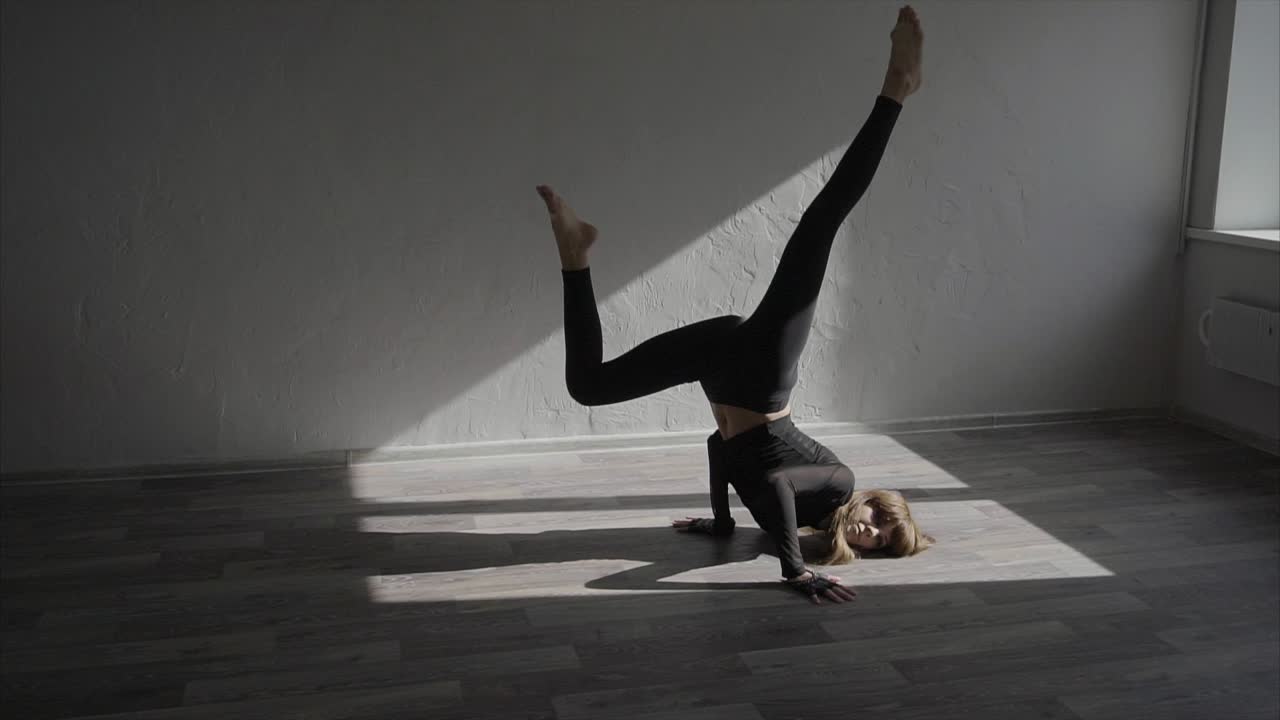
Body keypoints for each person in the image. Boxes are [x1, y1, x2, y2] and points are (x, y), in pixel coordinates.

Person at [537, 5, 934, 605]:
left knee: (588, 387)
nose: (870, 530)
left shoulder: (801, 521)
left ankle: (575, 255)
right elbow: (775, 481)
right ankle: (896, 89)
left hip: (722, 375)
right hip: (763, 374)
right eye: (881, 518)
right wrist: (794, 572)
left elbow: (720, 448)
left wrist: (721, 523)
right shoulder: (838, 483)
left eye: (880, 541)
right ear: (872, 499)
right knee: (819, 228)